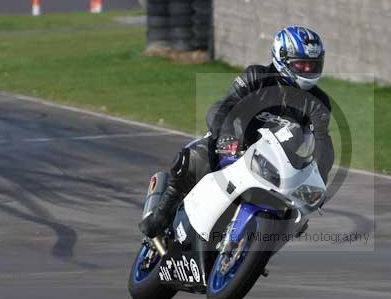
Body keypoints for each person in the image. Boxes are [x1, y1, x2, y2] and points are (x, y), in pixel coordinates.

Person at [140, 25, 335, 238]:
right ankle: (161, 214)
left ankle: (252, 253)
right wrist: (226, 138)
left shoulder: (318, 101)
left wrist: (320, 181)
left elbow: (323, 140)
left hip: (276, 163)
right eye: (302, 64)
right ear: (282, 58)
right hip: (235, 145)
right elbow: (224, 106)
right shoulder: (256, 76)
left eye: (313, 65)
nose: (308, 70)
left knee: (295, 219)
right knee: (194, 159)